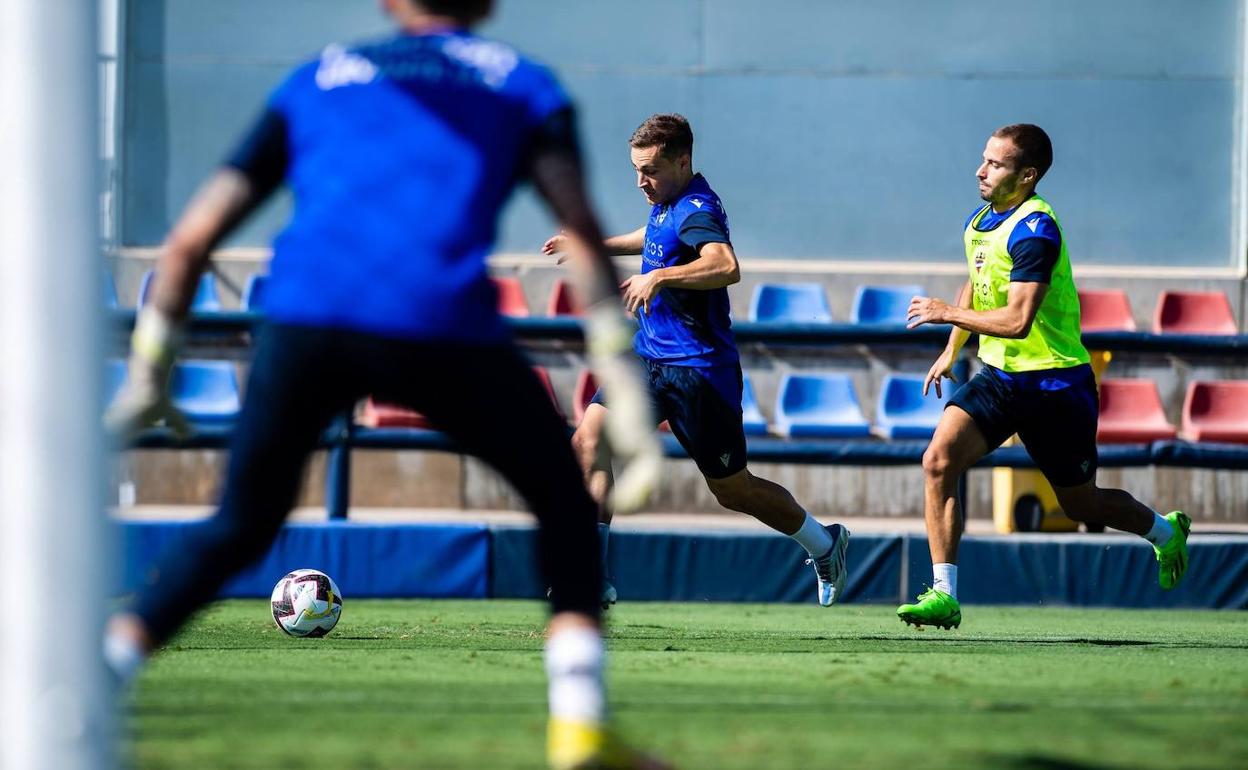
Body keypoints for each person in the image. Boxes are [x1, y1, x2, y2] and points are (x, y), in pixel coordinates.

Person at [103, 2, 666, 768]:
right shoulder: (524, 86)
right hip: (437, 322)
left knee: (240, 523)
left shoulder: (317, 78)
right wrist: (626, 391)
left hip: (306, 321)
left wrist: (151, 366)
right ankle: (579, 729)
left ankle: (93, 688)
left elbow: (193, 239)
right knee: (565, 505)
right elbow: (585, 234)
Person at [543, 114, 850, 608]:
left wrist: (659, 279)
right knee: (589, 440)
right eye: (636, 170)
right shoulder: (667, 203)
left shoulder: (697, 207)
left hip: (699, 373)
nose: (642, 181)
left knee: (733, 490)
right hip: (649, 359)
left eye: (651, 170)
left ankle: (824, 542)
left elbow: (725, 265)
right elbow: (654, 238)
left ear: (683, 160)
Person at [901, 123, 1191, 629]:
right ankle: (944, 593)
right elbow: (977, 277)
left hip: (1056, 385)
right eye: (983, 159)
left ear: (1027, 175)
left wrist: (947, 314)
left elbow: (1016, 321)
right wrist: (952, 350)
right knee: (938, 460)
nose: (980, 170)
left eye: (995, 164)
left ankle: (1165, 533)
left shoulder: (1038, 230)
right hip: (1000, 379)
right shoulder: (983, 219)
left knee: (1082, 502)